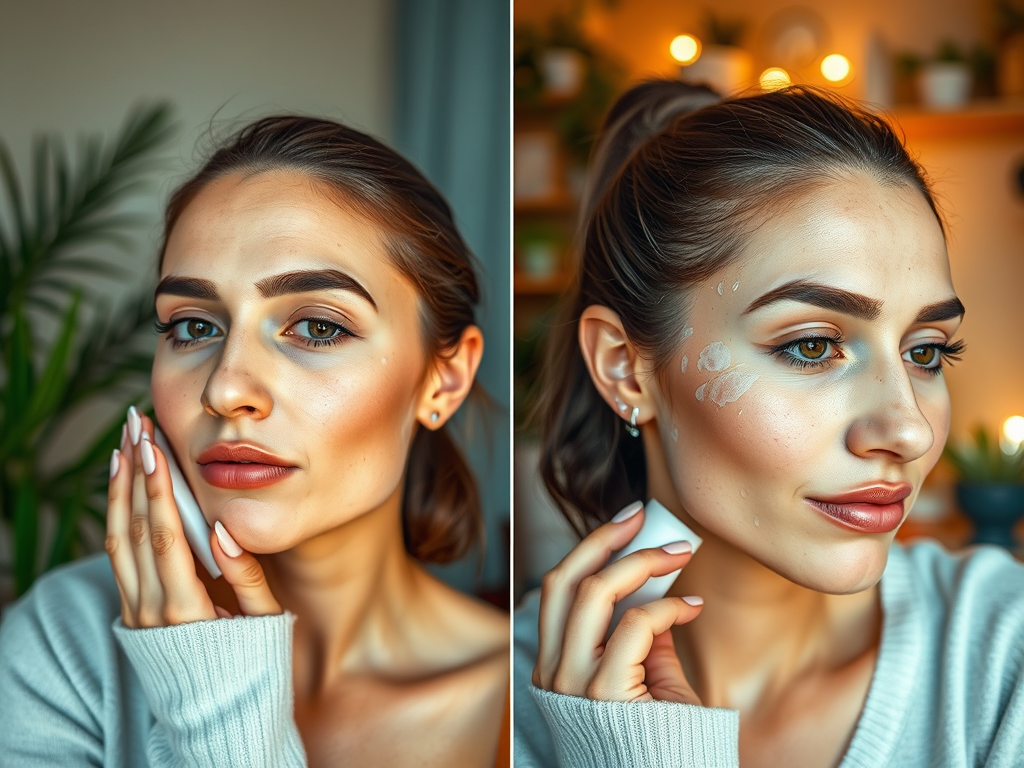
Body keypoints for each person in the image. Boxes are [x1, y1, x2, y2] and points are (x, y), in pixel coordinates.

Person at [514, 80, 1024, 768]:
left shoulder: (1002, 658)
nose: (909, 432)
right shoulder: (503, 697)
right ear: (626, 369)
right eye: (812, 345)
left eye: (925, 351)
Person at [0, 117, 509, 767]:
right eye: (191, 325)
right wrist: (208, 696)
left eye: (319, 328)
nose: (226, 388)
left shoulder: (528, 693)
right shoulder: (64, 643)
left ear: (445, 378)